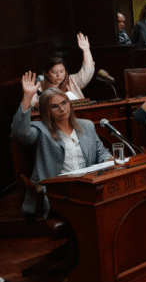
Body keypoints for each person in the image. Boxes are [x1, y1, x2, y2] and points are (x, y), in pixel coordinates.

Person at [12, 72, 113, 218]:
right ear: (47, 111)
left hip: (87, 186)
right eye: (54, 106)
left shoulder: (87, 125)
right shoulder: (40, 130)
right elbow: (20, 133)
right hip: (57, 192)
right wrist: (27, 97)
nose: (62, 109)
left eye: (64, 103)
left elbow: (100, 153)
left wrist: (110, 159)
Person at [32, 33, 94, 108]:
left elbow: (88, 70)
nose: (59, 75)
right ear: (46, 73)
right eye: (54, 72)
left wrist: (86, 50)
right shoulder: (39, 86)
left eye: (62, 72)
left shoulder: (72, 81)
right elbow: (32, 103)